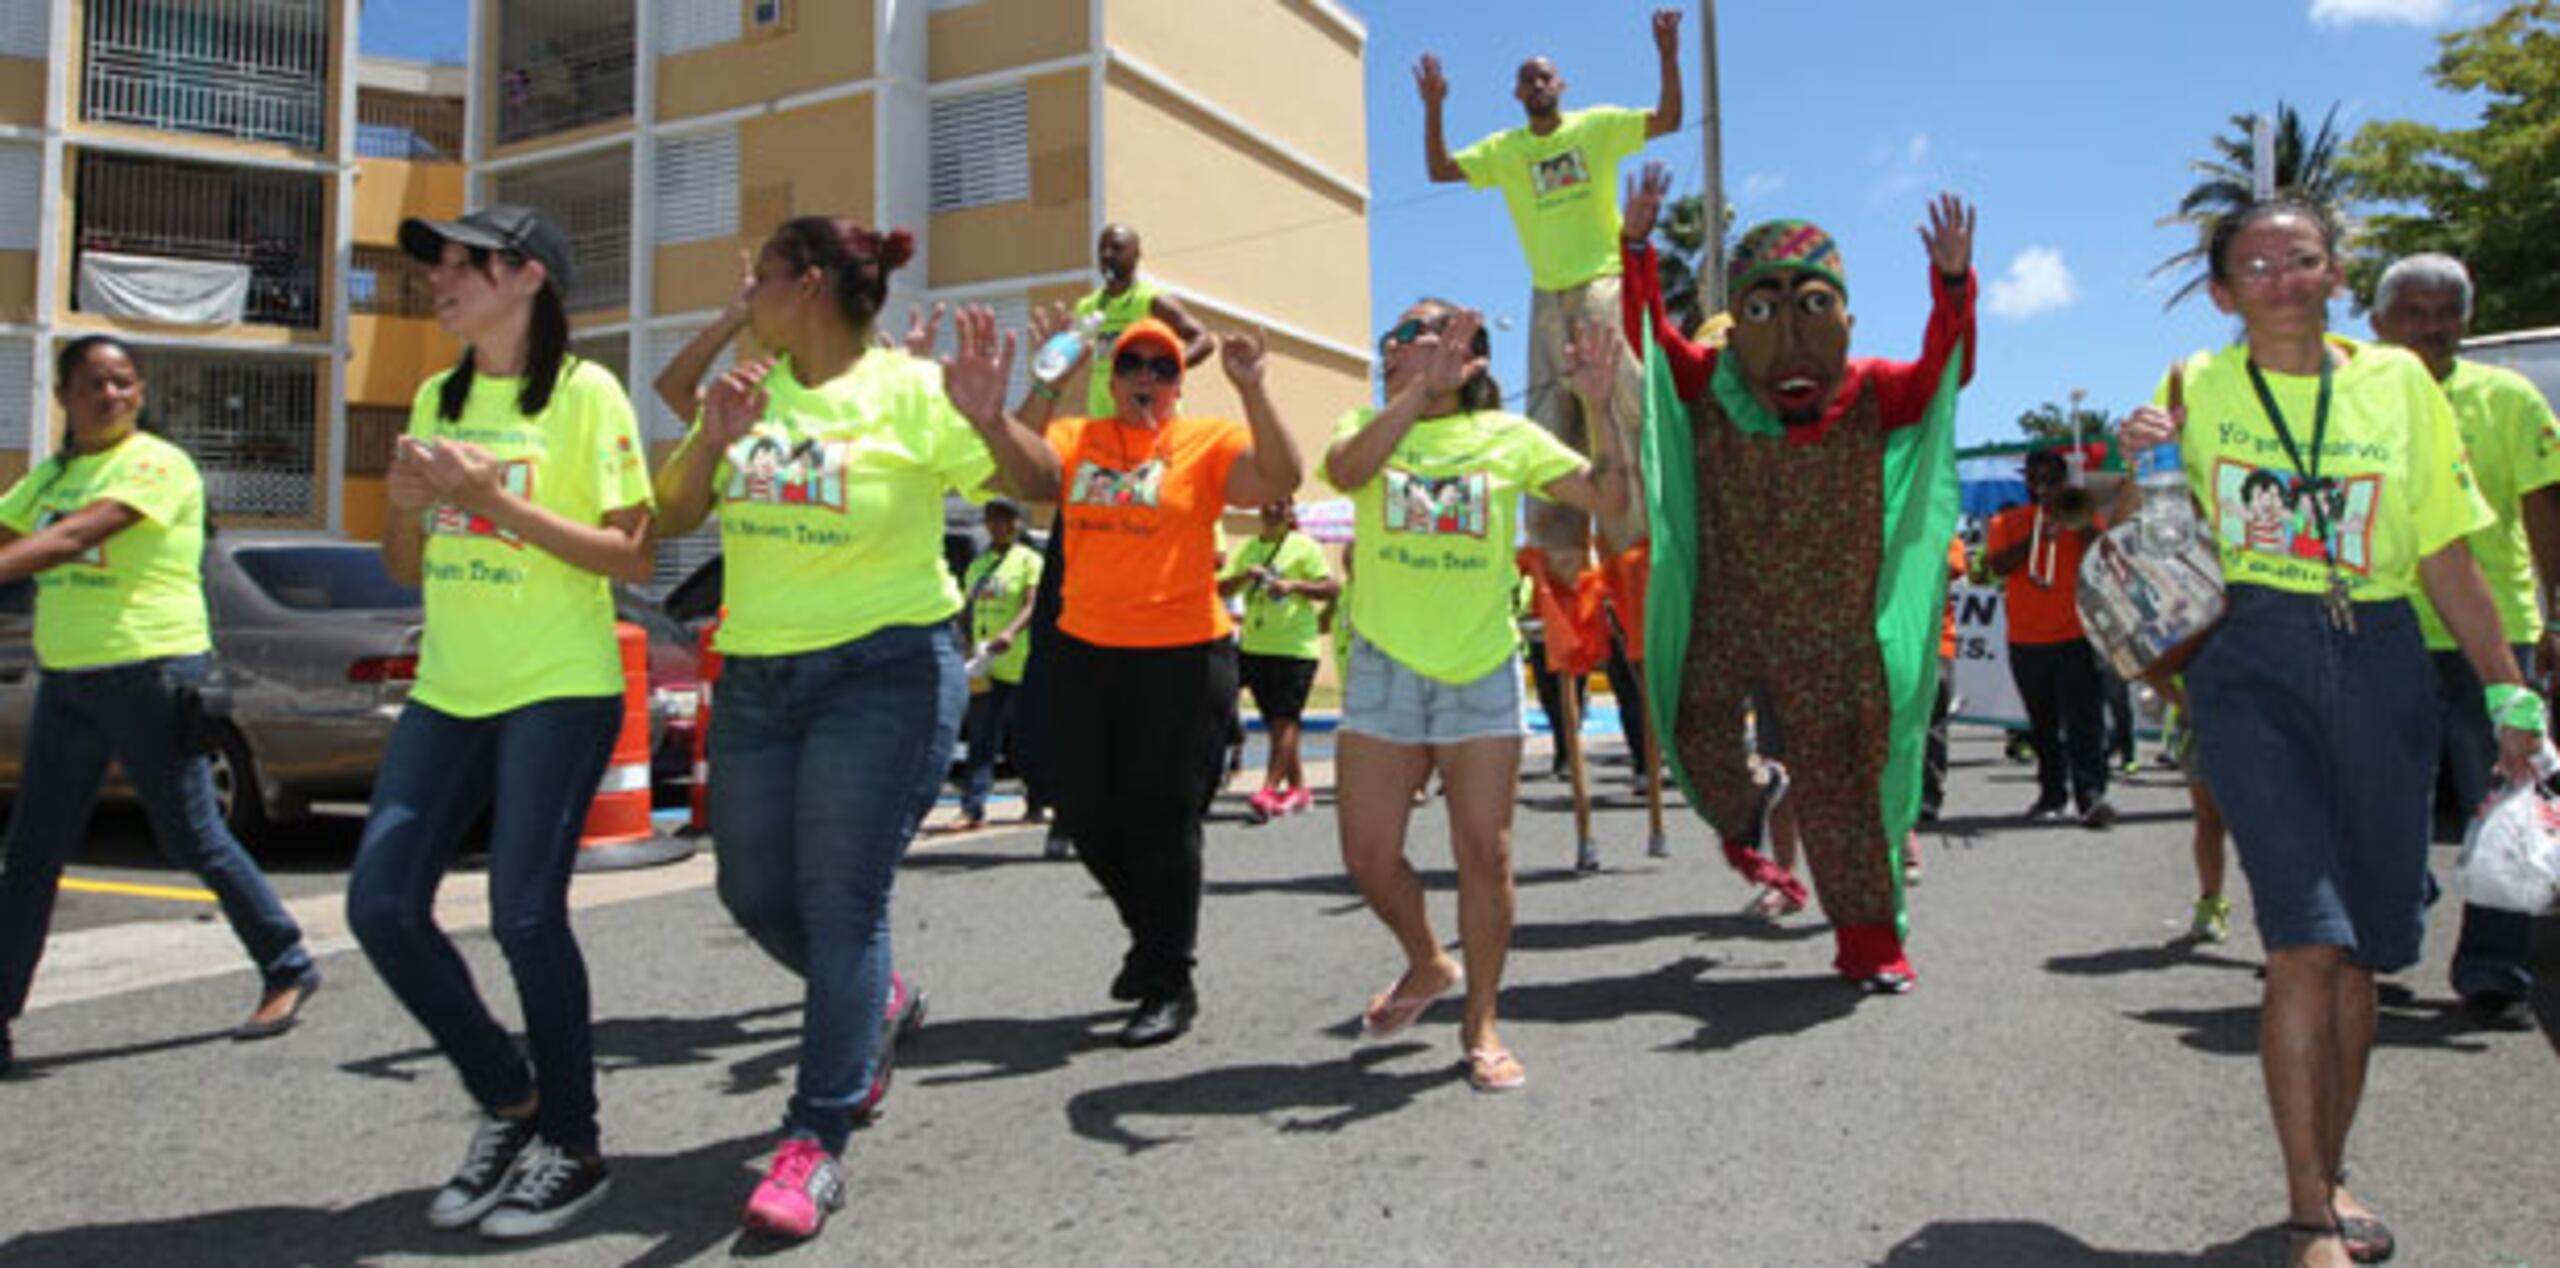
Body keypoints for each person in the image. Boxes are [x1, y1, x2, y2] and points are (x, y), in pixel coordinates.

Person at [2119, 198, 2535, 1268]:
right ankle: (2308, 1209)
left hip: (2386, 654)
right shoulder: (2194, 388)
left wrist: (2508, 692)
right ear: (2222, 293)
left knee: (2360, 949)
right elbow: (2158, 543)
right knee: (2302, 933)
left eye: (2298, 258)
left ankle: (2330, 1167)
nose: (2280, 277)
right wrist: (2140, 464)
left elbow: (2443, 548)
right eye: (2253, 265)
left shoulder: (2397, 384)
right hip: (2250, 663)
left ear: (2335, 272)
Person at [651, 219, 1054, 1240]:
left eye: (763, 279)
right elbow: (672, 510)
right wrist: (710, 437)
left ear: (811, 284)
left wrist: (993, 418)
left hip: (884, 672)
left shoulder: (912, 392)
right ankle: (875, 1000)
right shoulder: (752, 386)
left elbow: (1039, 481)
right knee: (751, 889)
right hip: (757, 675)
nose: (750, 293)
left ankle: (814, 1134)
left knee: (842, 901)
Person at [348, 205, 656, 1240]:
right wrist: (400, 506)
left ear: (528, 276)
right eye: (436, 261)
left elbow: (631, 555)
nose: (439, 276)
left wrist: (499, 500)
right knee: (381, 904)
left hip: (556, 687)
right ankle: (509, 1094)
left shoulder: (586, 393)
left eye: (462, 262)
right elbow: (406, 563)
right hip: (451, 686)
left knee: (525, 914)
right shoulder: (438, 392)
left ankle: (572, 1141)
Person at [1627, 160, 1977, 995]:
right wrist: (1636, 245)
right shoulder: (1709, 387)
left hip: (1834, 632)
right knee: (1690, 720)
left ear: (1845, 318)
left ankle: (1869, 946)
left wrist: (1953, 281)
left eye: (1812, 306)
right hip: (1732, 612)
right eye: (1762, 308)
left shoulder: (1874, 394)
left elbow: (1946, 371)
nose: (1787, 334)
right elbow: (1653, 335)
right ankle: (1751, 803)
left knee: (1846, 793)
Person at [1327, 300, 1629, 1092]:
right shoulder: (1367, 422)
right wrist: (1412, 394)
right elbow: (1345, 474)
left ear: (1474, 362)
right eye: (1396, 336)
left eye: (1425, 334)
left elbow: (1609, 498)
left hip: (1479, 669)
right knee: (1365, 854)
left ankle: (1481, 1023)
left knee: (1484, 856)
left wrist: (1600, 408)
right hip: (1386, 667)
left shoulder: (1511, 438)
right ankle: (1428, 963)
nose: (1404, 345)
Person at [0, 336, 321, 1078]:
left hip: (152, 673)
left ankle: (286, 961)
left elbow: (76, 536)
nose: (110, 395)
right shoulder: (52, 474)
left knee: (192, 839)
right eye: (93, 384)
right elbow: (18, 532)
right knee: (31, 854)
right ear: (63, 396)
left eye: (122, 383)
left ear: (139, 394)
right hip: (69, 682)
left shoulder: (155, 463)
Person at [1017, 311, 1303, 1047]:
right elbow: (1012, 470)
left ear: (1180, 382)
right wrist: (1047, 380)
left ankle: (1170, 978)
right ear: (1111, 376)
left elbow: (1280, 475)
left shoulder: (1205, 441)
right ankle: (1152, 941)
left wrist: (1253, 389)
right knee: (1081, 812)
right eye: (1133, 365)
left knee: (1164, 821)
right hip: (1087, 649)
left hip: (1183, 654)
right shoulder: (1077, 438)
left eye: (1163, 367)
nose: (1147, 377)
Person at [2370, 252, 2560, 1019]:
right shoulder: (2355, 400)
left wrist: (2555, 617)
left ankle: (2491, 967)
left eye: (2447, 312)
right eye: (2413, 313)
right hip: (2385, 627)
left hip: (2497, 635)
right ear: (2379, 325)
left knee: (2506, 800)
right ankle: (2389, 927)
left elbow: (2546, 511)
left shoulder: (2510, 399)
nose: (2432, 327)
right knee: (2384, 797)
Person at [1415, 9, 1678, 560]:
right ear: (1516, 93)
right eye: (1527, 78)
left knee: (1621, 402)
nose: (1537, 84)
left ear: (1561, 86)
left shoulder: (1596, 127)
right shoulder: (1507, 151)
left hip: (1601, 281)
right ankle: (1561, 566)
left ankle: (1637, 545)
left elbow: (1669, 119)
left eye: (1545, 76)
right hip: (1546, 295)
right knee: (1552, 422)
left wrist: (1667, 53)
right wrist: (1435, 107)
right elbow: (1440, 170)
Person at [1984, 449, 2117, 828]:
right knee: (2043, 724)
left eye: (2051, 480)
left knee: (2085, 722)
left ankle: (2091, 796)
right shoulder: (2006, 522)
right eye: (2035, 478)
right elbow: (1997, 566)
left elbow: (2104, 555)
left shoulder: (2080, 514)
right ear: (2026, 481)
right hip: (2027, 639)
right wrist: (2037, 538)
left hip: (2075, 634)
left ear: (2063, 482)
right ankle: (2051, 793)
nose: (2042, 487)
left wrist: (2076, 523)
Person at [1219, 500, 1338, 821]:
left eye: (1279, 505)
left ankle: (1269, 788)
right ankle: (1298, 788)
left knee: (1286, 717)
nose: (1271, 511)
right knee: (1274, 719)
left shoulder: (1305, 547)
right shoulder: (1248, 548)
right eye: (1266, 505)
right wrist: (1246, 576)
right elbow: (1220, 586)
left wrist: (1294, 585)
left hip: (1294, 646)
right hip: (1255, 644)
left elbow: (1331, 587)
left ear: (1289, 513)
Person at [950, 497, 1045, 833]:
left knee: (1024, 739)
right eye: (990, 519)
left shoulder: (1028, 560)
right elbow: (967, 607)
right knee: (982, 738)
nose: (996, 525)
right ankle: (972, 807)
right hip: (985, 664)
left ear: (1016, 524)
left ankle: (1036, 801)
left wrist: (1011, 631)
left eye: (1003, 519)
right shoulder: (980, 564)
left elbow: (1034, 603)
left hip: (1019, 662)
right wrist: (963, 642)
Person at [1067, 225, 1215, 420]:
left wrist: (1164, 369)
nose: (1107, 255)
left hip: (1152, 419)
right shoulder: (1087, 306)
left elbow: (1204, 340)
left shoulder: (1153, 300)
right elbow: (1074, 352)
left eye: (1116, 248)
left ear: (1137, 254)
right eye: (1102, 249)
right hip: (1103, 418)